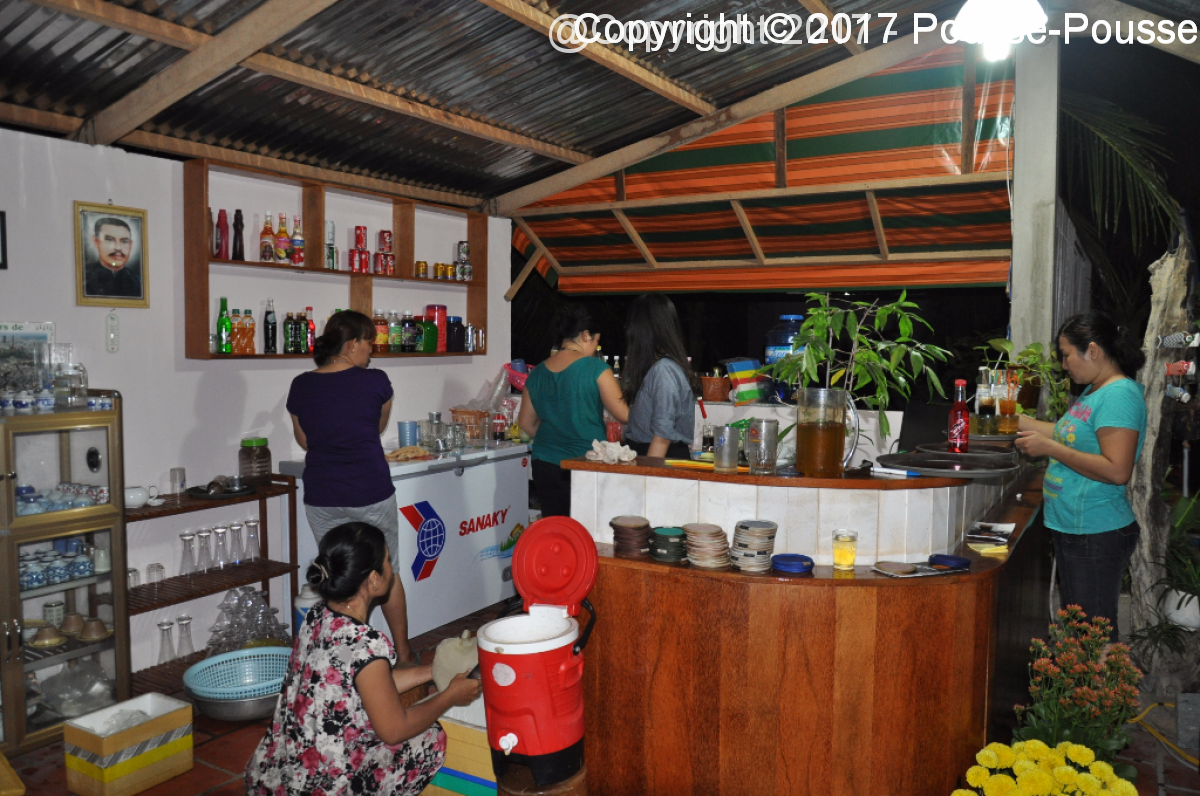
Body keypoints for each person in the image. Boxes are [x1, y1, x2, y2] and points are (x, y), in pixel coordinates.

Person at [246, 522, 481, 796]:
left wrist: (433, 671)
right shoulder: (366, 644)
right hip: (325, 788)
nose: (391, 568)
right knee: (430, 737)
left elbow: (362, 680)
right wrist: (449, 696)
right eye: (388, 561)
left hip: (276, 778)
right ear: (373, 580)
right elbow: (394, 730)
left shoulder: (317, 616)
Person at [287, 310, 413, 662]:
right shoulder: (376, 381)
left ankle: (339, 657)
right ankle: (403, 655)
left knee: (337, 576)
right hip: (369, 490)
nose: (371, 349)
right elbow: (376, 427)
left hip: (322, 495)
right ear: (352, 343)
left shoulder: (301, 385)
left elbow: (305, 441)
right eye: (369, 341)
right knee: (386, 572)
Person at [1014, 311, 1147, 641]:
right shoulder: (1094, 390)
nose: (1064, 365)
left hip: (1095, 530)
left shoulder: (1119, 395)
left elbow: (1117, 470)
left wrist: (1049, 448)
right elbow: (1067, 434)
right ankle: (1088, 676)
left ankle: (1102, 677)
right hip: (1075, 526)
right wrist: (1013, 419)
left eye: (1066, 355)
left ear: (1093, 350)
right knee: (1080, 629)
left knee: (1093, 635)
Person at [518, 303, 628, 517]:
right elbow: (624, 414)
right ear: (586, 335)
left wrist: (557, 437)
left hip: (545, 463)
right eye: (596, 342)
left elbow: (525, 422)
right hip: (585, 463)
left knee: (557, 529)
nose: (595, 349)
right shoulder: (596, 369)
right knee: (586, 529)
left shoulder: (537, 373)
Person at [621, 294, 700, 459]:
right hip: (650, 454)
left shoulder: (663, 370)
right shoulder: (658, 368)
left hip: (659, 457)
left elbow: (662, 437)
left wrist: (647, 473)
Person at [83, 217, 142, 298]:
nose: (118, 247)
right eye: (110, 240)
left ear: (130, 244)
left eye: (124, 241)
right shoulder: (84, 280)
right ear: (96, 241)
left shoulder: (139, 283)